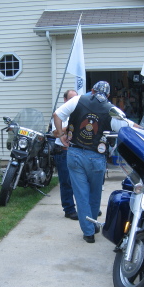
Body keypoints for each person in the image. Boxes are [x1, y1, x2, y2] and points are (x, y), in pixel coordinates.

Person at [53, 81, 133, 243]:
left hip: (74, 153)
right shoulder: (111, 109)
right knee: (95, 192)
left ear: (92, 91)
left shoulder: (77, 100)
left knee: (81, 194)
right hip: (96, 156)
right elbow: (129, 126)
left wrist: (61, 135)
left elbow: (57, 114)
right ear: (108, 95)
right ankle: (93, 224)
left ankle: (88, 232)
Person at [52, 89, 79, 220]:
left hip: (78, 152)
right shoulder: (60, 113)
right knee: (66, 182)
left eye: (76, 98)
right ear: (65, 100)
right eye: (71, 98)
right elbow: (55, 133)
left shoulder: (80, 112)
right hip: (64, 152)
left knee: (80, 182)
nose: (74, 101)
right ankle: (69, 209)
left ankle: (85, 208)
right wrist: (71, 126)